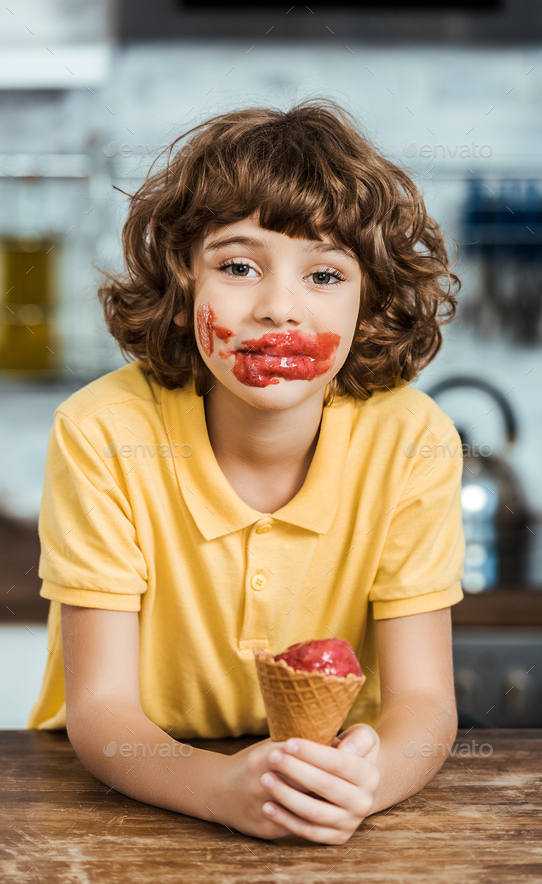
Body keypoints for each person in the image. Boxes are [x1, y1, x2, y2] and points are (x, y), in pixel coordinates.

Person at [28, 98, 465, 845]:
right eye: (237, 267)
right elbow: (102, 711)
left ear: (370, 305)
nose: (278, 308)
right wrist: (224, 789)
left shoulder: (411, 439)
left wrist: (366, 783)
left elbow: (424, 702)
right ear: (182, 285)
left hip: (336, 784)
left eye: (324, 275)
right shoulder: (102, 433)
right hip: (132, 801)